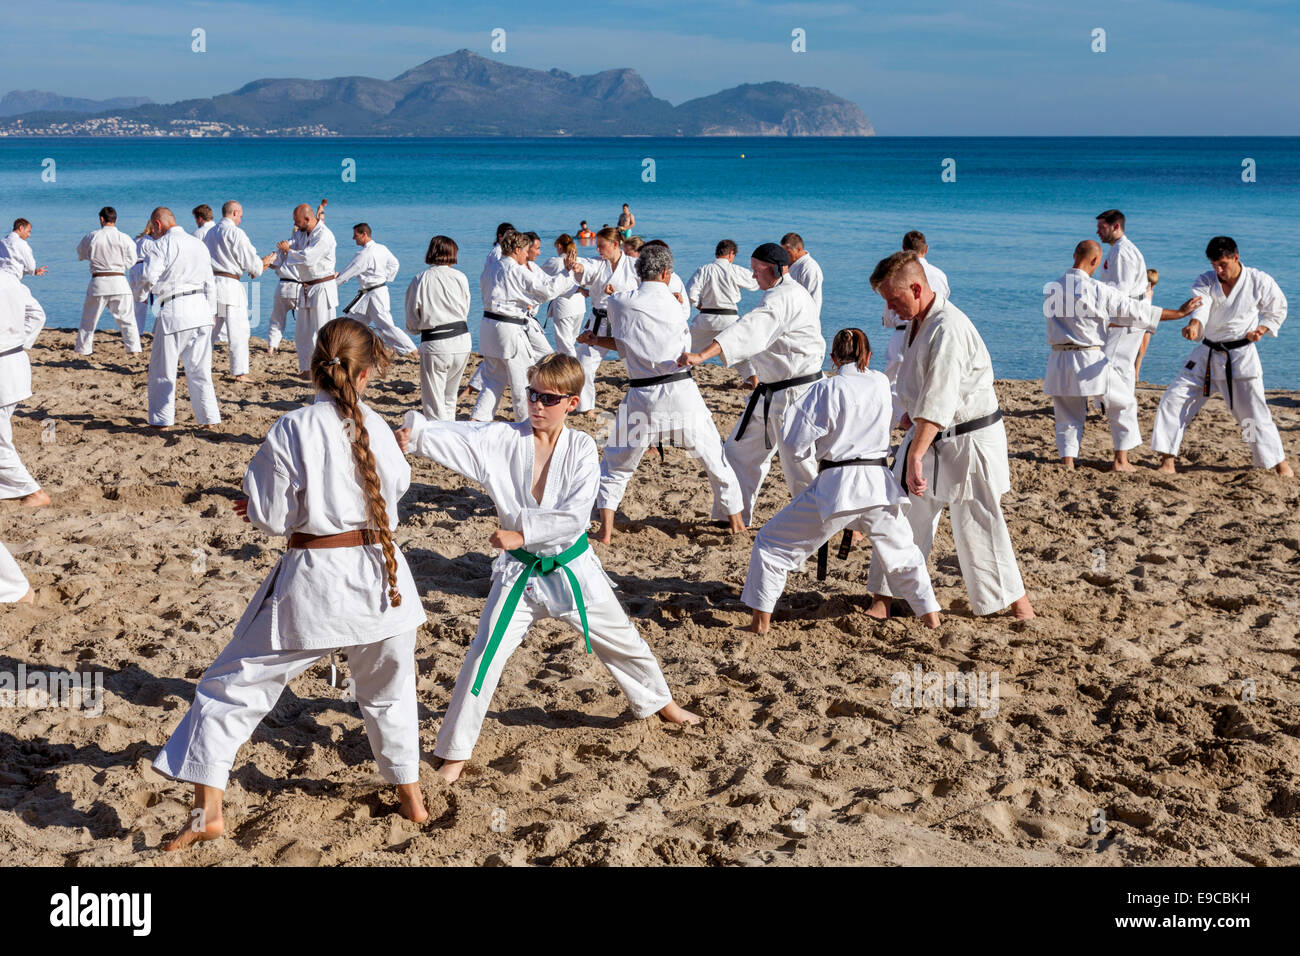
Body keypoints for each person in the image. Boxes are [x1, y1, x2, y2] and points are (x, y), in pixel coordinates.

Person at [152, 318, 429, 850]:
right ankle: (411, 801)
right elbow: (396, 488)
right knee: (391, 694)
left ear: (313, 368)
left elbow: (276, 518)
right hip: (385, 582)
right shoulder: (376, 427)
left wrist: (255, 510)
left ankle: (206, 814)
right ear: (369, 372)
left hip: (319, 585)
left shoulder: (293, 427)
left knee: (228, 689)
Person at [395, 353, 700, 785]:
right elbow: (465, 435)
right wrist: (419, 434)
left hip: (572, 570)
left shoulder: (580, 448)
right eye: (532, 393)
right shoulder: (504, 439)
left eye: (548, 398)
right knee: (484, 657)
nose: (536, 404)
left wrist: (522, 534)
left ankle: (661, 703)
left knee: (623, 641)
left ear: (571, 403)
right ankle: (455, 752)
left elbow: (577, 516)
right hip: (519, 576)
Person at [864, 251, 1034, 620]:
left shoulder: (948, 326)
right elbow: (920, 386)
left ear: (916, 287)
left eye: (895, 300)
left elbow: (941, 397)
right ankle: (884, 597)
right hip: (932, 433)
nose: (891, 310)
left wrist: (913, 456)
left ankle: (1017, 606)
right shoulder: (919, 322)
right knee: (902, 515)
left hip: (968, 438)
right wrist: (907, 416)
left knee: (979, 522)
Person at [742, 329, 941, 633]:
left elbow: (793, 442)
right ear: (868, 356)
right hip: (879, 485)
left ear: (833, 359)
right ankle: (933, 621)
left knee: (771, 544)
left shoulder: (827, 388)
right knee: (905, 556)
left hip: (838, 487)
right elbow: (904, 417)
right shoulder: (880, 384)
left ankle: (760, 624)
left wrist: (808, 460)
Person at [576, 242, 744, 542]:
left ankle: (605, 530)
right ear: (667, 273)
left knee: (616, 463)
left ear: (638, 271)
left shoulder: (618, 304)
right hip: (680, 391)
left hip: (643, 396)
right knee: (714, 459)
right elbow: (642, 340)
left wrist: (596, 339)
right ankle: (736, 523)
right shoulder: (677, 303)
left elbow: (629, 343)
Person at [677, 242, 824, 527]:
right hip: (770, 393)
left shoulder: (785, 297)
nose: (753, 276)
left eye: (758, 270)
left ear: (779, 270)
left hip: (795, 394)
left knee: (798, 464)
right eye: (753, 269)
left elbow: (749, 328)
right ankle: (731, 516)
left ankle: (817, 522)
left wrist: (703, 355)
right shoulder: (778, 293)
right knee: (737, 452)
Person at [1044, 241, 1200, 470]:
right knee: (1124, 403)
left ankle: (1067, 461)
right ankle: (1121, 460)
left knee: (1067, 413)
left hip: (1058, 359)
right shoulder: (1097, 289)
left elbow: (1080, 318)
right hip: (1088, 360)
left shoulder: (1052, 288)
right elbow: (1136, 311)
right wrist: (1178, 313)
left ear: (1074, 255)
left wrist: (1108, 322)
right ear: (1096, 261)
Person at [1151, 236, 1292, 476]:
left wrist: (1262, 329)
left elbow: (1277, 308)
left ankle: (1276, 463)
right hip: (1206, 353)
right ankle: (1167, 460)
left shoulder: (1258, 280)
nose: (1218, 270)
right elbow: (1201, 304)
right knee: (1174, 399)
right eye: (1214, 264)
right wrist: (1195, 325)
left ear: (1236, 258)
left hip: (1241, 356)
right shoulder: (1206, 280)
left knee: (1252, 414)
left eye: (1223, 264)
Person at [473, 231, 581, 422]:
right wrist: (567, 272)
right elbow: (547, 291)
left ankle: (477, 420)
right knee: (521, 380)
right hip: (509, 327)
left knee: (492, 380)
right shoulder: (516, 269)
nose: (526, 255)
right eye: (525, 251)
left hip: (488, 325)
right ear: (517, 250)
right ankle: (525, 423)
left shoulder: (491, 268)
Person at [130, 207, 221, 429]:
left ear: (157, 225)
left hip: (175, 309)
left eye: (153, 227)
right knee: (200, 370)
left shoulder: (162, 244)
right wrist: (211, 312)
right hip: (200, 309)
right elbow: (210, 281)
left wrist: (140, 291)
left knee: (163, 370)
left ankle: (162, 420)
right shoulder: (198, 244)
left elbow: (148, 276)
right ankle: (208, 419)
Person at [882, 232, 949, 428]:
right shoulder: (940, 275)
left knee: (892, 382)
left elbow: (889, 311)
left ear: (903, 249)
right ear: (925, 249)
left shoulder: (899, 274)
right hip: (932, 330)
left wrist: (887, 321)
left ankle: (897, 421)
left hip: (903, 330)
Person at [405, 234, 471, 421]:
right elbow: (465, 307)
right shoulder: (461, 277)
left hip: (436, 342)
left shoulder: (421, 279)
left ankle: (439, 439)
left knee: (433, 402)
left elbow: (411, 317)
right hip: (462, 340)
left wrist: (416, 329)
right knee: (450, 397)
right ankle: (450, 434)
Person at [573, 226, 639, 413]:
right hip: (598, 320)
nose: (598, 249)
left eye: (601, 246)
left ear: (615, 244)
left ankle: (640, 406)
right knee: (584, 364)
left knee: (635, 366)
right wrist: (578, 267)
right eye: (597, 246)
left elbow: (644, 293)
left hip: (625, 321)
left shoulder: (634, 266)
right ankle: (586, 408)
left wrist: (618, 294)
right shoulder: (597, 263)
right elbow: (586, 266)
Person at [1095, 209, 1149, 429]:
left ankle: (1112, 406)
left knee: (1108, 362)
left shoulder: (1123, 252)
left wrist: (1109, 316)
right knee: (1123, 364)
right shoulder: (1118, 250)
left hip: (1126, 314)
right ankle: (1122, 406)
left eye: (1102, 227)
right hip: (1129, 311)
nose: (1098, 232)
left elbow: (1121, 290)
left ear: (1116, 226)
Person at [0, 269, 50, 508]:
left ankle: (33, 491)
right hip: (16, 362)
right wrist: (19, 343)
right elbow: (38, 314)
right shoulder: (9, 278)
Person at [686, 239, 760, 386]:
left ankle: (675, 373)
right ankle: (752, 380)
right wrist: (737, 286)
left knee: (687, 346)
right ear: (731, 254)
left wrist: (698, 305)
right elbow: (755, 283)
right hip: (730, 319)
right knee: (740, 352)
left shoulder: (704, 269)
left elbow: (690, 293)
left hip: (706, 318)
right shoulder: (736, 270)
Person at [274, 202, 336, 375]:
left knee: (323, 331)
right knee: (302, 332)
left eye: (297, 220)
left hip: (322, 287)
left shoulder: (324, 235)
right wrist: (270, 260)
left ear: (308, 219)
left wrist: (288, 251)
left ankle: (329, 368)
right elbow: (289, 246)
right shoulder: (302, 234)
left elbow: (308, 258)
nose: (295, 224)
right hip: (306, 287)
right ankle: (307, 369)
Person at [204, 200, 263, 381]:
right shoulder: (236, 233)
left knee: (210, 331)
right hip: (230, 285)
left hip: (212, 284)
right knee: (238, 331)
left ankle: (200, 364)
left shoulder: (210, 233)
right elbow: (251, 263)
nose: (241, 220)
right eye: (241, 216)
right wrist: (262, 265)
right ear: (235, 213)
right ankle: (239, 372)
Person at [337, 223, 414, 356]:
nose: (353, 238)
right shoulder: (382, 248)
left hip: (375, 295)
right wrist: (384, 277)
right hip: (372, 293)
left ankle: (412, 350)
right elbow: (394, 264)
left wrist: (330, 284)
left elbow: (346, 274)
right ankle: (343, 347)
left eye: (356, 236)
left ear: (364, 235)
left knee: (385, 326)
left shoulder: (364, 255)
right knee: (351, 322)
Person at [75, 207, 142, 356]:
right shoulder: (124, 238)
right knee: (127, 319)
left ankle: (83, 349)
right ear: (115, 220)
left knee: (89, 320)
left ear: (101, 219)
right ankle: (134, 349)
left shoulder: (92, 236)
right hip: (119, 280)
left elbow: (81, 254)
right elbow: (132, 260)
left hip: (99, 282)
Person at [542, 234, 588, 358]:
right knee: (571, 342)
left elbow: (539, 278)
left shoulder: (554, 262)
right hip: (580, 307)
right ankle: (572, 368)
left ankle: (573, 370)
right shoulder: (581, 261)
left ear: (559, 246)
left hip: (564, 306)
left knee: (565, 345)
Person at [780, 232, 823, 319]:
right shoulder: (787, 264)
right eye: (782, 251)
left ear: (799, 249)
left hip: (801, 321)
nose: (784, 255)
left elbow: (814, 299)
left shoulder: (809, 268)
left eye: (787, 252)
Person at [1134, 268, 1159, 382]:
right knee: (1138, 349)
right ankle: (1135, 375)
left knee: (1143, 350)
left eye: (1153, 285)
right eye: (1150, 284)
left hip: (1148, 321)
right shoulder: (1139, 293)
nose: (1151, 287)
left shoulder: (1151, 292)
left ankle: (1137, 373)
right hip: (1139, 321)